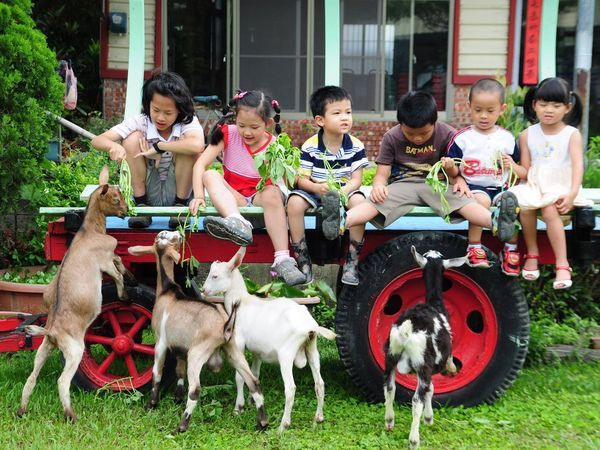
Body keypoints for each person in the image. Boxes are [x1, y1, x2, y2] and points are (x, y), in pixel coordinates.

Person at [343, 91, 521, 248]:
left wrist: (458, 180)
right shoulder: (392, 137)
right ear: (400, 124)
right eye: (410, 134)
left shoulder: (448, 134)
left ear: (435, 123)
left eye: (424, 133)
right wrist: (378, 185)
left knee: (464, 200)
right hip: (403, 185)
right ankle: (341, 220)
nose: (418, 138)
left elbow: (456, 170)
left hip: (438, 186)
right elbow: (382, 173)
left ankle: (496, 222)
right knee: (375, 201)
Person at [189, 90, 305, 286]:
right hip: (235, 201)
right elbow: (200, 164)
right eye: (241, 125)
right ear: (235, 119)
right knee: (210, 174)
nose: (247, 132)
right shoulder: (228, 134)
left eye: (254, 127)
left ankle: (282, 259)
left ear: (268, 124)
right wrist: (199, 196)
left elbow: (289, 179)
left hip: (262, 200)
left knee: (272, 191)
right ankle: (235, 222)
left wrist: (286, 166)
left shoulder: (275, 145)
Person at [91, 71, 204, 228]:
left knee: (189, 147)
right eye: (156, 110)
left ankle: (180, 208)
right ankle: (142, 207)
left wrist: (159, 147)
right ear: (148, 104)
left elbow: (198, 145)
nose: (161, 118)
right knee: (130, 139)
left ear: (179, 110)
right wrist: (114, 146)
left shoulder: (187, 122)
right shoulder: (141, 122)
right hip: (148, 190)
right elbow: (97, 140)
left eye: (168, 113)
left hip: (179, 192)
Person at [509, 77, 592, 289]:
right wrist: (510, 165)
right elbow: (526, 172)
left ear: (567, 108)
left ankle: (562, 264)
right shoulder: (527, 135)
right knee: (525, 205)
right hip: (535, 185)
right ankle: (532, 253)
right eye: (544, 104)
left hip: (562, 186)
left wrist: (573, 193)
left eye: (556, 105)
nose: (549, 110)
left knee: (548, 209)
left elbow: (577, 166)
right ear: (535, 104)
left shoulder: (571, 134)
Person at [443, 78, 527, 276]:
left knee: (510, 203)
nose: (484, 116)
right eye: (478, 110)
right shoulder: (463, 138)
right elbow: (454, 172)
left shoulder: (506, 138)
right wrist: (450, 169)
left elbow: (521, 169)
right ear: (469, 107)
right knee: (479, 200)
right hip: (474, 186)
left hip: (501, 186)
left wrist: (511, 165)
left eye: (490, 111)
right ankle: (474, 247)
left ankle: (511, 248)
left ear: (502, 109)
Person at [287, 86, 370, 285]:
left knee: (360, 202)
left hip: (343, 189)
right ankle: (303, 259)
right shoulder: (311, 146)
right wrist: (316, 188)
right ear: (320, 120)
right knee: (294, 204)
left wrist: (343, 191)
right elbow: (300, 179)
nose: (345, 118)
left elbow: (357, 180)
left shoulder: (356, 146)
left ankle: (352, 260)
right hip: (317, 189)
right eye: (337, 113)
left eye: (348, 112)